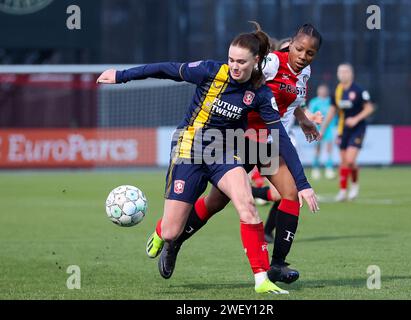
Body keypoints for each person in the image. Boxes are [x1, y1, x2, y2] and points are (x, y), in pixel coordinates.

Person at [97, 22, 319, 294]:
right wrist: (121, 75)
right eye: (299, 49)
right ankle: (170, 237)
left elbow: (284, 113)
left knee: (277, 196)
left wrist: (304, 126)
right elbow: (168, 69)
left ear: (254, 61)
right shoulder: (262, 65)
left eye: (309, 53)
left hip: (247, 144)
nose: (303, 56)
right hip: (224, 141)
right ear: (286, 47)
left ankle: (272, 269)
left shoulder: (291, 77)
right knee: (202, 210)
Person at [320, 63, 375, 201]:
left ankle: (355, 185)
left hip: (358, 129)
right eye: (340, 72)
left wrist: (356, 119)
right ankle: (343, 191)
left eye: (345, 71)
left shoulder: (359, 90)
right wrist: (323, 129)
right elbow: (332, 111)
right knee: (344, 161)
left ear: (351, 74)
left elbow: (369, 108)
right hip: (342, 130)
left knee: (350, 161)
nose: (342, 74)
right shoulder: (337, 91)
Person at [309, 84, 337, 180]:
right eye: (321, 90)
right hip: (317, 128)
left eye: (324, 90)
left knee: (329, 148)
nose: (323, 92)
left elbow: (334, 113)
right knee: (317, 148)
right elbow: (310, 115)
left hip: (329, 128)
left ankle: (329, 169)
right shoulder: (314, 102)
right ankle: (315, 169)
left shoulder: (330, 101)